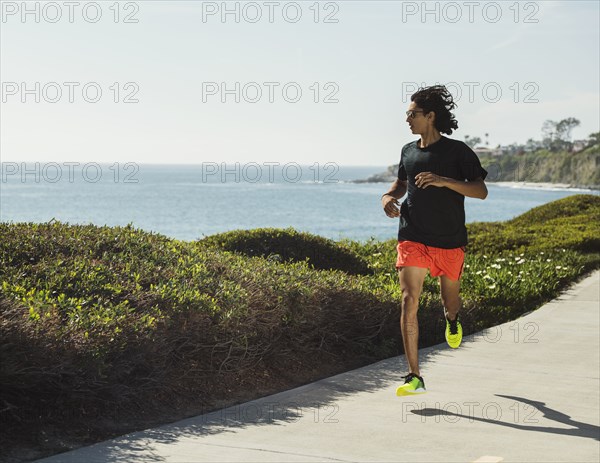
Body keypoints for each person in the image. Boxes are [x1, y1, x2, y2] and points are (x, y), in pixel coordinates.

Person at [381, 85, 488, 396]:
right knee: (408, 300)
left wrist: (444, 181)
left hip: (450, 240)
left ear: (430, 116)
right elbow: (401, 183)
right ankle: (414, 376)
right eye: (407, 114)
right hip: (412, 235)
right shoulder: (408, 151)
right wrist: (388, 196)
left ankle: (452, 319)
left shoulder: (458, 152)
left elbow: (480, 190)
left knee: (449, 301)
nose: (407, 119)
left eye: (412, 114)